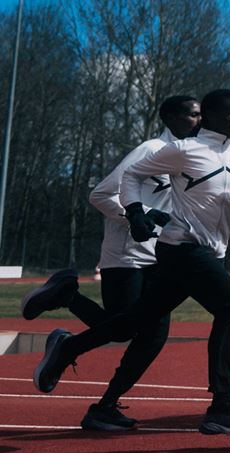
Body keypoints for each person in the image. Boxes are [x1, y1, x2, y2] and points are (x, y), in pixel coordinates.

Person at [35, 89, 230, 435]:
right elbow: (130, 177)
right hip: (181, 248)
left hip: (210, 253)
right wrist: (134, 211)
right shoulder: (182, 150)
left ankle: (94, 391)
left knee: (138, 323)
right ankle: (221, 407)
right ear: (211, 115)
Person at [22, 95, 202, 432]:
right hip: (128, 251)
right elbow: (102, 194)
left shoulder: (192, 157)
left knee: (150, 334)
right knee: (126, 327)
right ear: (171, 118)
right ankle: (67, 323)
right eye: (193, 114)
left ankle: (103, 406)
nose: (199, 119)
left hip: (161, 255)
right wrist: (145, 216)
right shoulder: (150, 150)